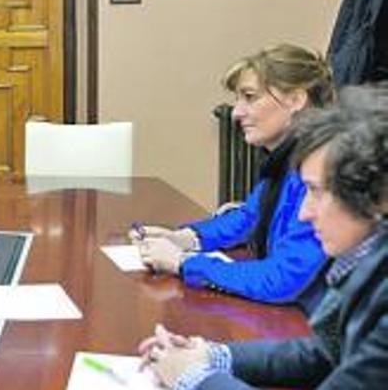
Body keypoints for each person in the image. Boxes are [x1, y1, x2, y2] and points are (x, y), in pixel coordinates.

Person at [137, 83, 388, 390]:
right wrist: (212, 356)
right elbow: (324, 354)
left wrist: (191, 378)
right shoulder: (367, 259)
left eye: (317, 192)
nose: (304, 213)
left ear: (378, 196)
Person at [134, 44, 332, 312]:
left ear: (296, 100)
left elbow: (282, 280)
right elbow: (249, 217)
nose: (237, 112)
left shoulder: (322, 171)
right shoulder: (287, 159)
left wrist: (183, 262)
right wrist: (187, 238)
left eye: (250, 97)